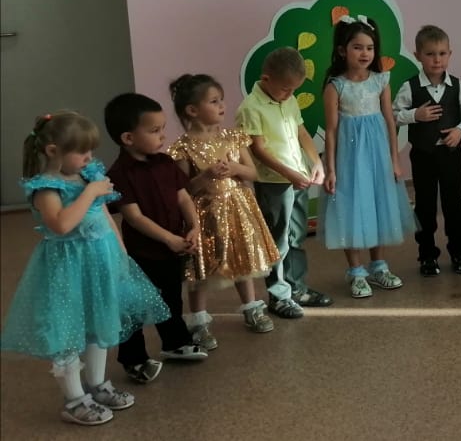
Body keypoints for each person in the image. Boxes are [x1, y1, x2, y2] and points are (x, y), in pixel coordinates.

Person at [0, 112, 168, 426]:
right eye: (81, 151)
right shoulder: (46, 188)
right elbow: (61, 225)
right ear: (53, 151)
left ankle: (97, 384)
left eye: (91, 150)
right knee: (68, 331)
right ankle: (74, 399)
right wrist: (91, 193)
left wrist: (120, 253)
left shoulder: (88, 175)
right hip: (68, 268)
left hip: (99, 263)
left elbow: (104, 216)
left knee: (98, 324)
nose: (89, 157)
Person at [103, 93, 209, 384]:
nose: (163, 135)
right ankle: (133, 359)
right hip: (142, 254)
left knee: (171, 298)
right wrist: (168, 239)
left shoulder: (165, 162)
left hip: (172, 250)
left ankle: (175, 343)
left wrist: (194, 226)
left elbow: (183, 197)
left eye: (162, 128)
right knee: (134, 307)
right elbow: (134, 217)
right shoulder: (119, 174)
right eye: (154, 130)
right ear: (128, 138)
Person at [167, 74, 279, 343]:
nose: (222, 106)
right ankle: (199, 321)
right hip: (204, 215)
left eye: (221, 100)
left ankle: (252, 308)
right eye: (214, 101)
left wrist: (236, 168)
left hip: (237, 209)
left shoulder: (233, 137)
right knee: (201, 267)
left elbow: (253, 173)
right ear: (192, 110)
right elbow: (183, 189)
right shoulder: (183, 148)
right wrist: (205, 176)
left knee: (243, 259)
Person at [321, 16, 414, 297]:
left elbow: (389, 122)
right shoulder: (335, 86)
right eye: (358, 47)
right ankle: (356, 271)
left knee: (378, 204)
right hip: (349, 158)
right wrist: (331, 169)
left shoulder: (380, 81)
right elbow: (331, 131)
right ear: (342, 50)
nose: (365, 53)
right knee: (350, 207)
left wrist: (394, 159)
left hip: (377, 156)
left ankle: (379, 266)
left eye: (370, 48)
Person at [237, 47, 332, 319]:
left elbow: (301, 132)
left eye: (294, 90)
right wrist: (289, 174)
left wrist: (316, 163)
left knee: (296, 236)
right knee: (278, 240)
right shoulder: (250, 108)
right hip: (274, 182)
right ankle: (279, 296)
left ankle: (297, 288)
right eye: (285, 89)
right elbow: (258, 150)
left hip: (297, 178)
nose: (290, 94)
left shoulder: (288, 99)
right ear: (266, 79)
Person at [393, 25, 461, 277]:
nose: (437, 59)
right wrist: (414, 115)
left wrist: (460, 131)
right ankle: (427, 255)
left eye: (442, 53)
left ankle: (459, 251)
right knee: (425, 206)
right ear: (418, 55)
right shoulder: (410, 87)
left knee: (454, 205)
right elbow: (394, 115)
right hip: (423, 155)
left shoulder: (457, 86)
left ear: (450, 54)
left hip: (450, 155)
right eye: (430, 54)